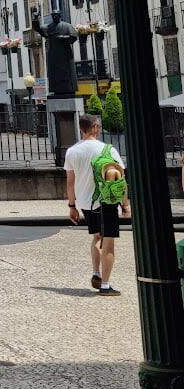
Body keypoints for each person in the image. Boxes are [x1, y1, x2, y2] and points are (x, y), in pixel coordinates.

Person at [64, 113, 129, 295]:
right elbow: (120, 179)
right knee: (109, 243)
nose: (99, 130)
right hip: (106, 200)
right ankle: (106, 285)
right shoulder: (107, 149)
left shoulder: (72, 151)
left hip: (85, 201)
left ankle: (96, 273)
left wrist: (71, 206)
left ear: (81, 129)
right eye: (98, 127)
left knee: (96, 237)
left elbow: (70, 181)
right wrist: (124, 205)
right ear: (94, 128)